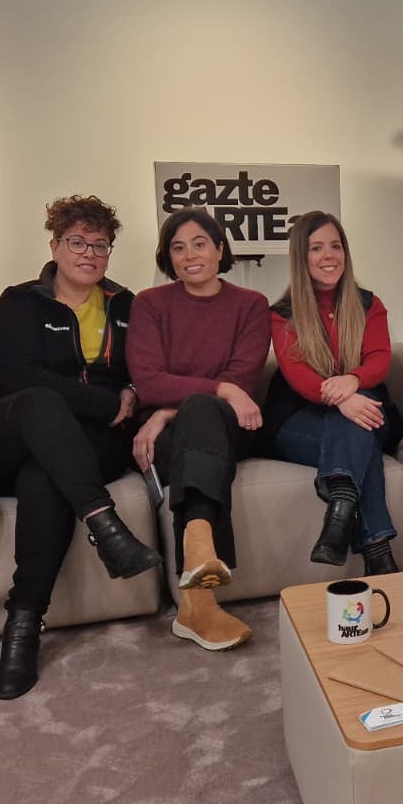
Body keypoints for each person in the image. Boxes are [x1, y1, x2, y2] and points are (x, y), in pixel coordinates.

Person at [0, 195, 162, 700]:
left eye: (100, 244)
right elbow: (21, 376)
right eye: (78, 242)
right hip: (8, 429)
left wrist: (131, 392)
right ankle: (105, 524)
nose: (89, 253)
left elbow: (143, 371)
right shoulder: (20, 301)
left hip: (84, 443)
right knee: (40, 402)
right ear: (54, 246)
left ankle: (23, 625)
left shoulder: (125, 305)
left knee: (44, 477)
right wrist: (108, 401)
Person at [128, 210, 269, 651]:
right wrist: (218, 389)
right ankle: (199, 593)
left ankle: (196, 578)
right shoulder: (150, 304)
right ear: (168, 257)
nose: (190, 255)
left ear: (220, 249)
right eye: (178, 247)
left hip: (229, 427)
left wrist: (166, 412)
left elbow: (243, 380)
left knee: (203, 412)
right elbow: (148, 381)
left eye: (200, 243)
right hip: (176, 437)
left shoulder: (251, 304)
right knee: (201, 414)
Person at [263, 211, 402, 575]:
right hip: (298, 420)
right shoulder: (282, 313)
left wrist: (353, 381)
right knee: (361, 438)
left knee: (359, 426)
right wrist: (345, 399)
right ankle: (378, 556)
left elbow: (379, 358)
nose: (329, 255)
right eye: (316, 248)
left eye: (335, 246)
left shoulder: (369, 303)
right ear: (301, 256)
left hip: (365, 408)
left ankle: (339, 514)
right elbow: (298, 374)